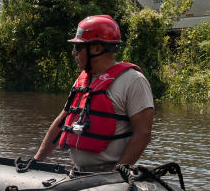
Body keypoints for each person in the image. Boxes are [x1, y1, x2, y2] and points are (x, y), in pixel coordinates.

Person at [34, 15, 154, 172]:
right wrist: (36, 162)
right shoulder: (83, 80)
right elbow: (62, 122)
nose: (73, 53)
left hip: (108, 177)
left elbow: (143, 133)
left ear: (97, 48)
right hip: (78, 174)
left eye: (78, 47)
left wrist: (114, 175)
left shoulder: (133, 81)